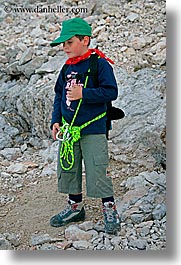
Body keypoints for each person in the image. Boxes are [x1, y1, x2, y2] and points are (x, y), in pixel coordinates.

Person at [49, 17, 120, 234]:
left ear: (85, 40)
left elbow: (111, 92)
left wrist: (84, 94)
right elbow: (59, 94)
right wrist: (56, 120)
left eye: (69, 42)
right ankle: (75, 206)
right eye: (63, 44)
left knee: (97, 167)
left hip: (94, 128)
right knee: (69, 166)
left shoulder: (99, 64)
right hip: (69, 129)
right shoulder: (67, 68)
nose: (64, 48)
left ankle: (109, 207)